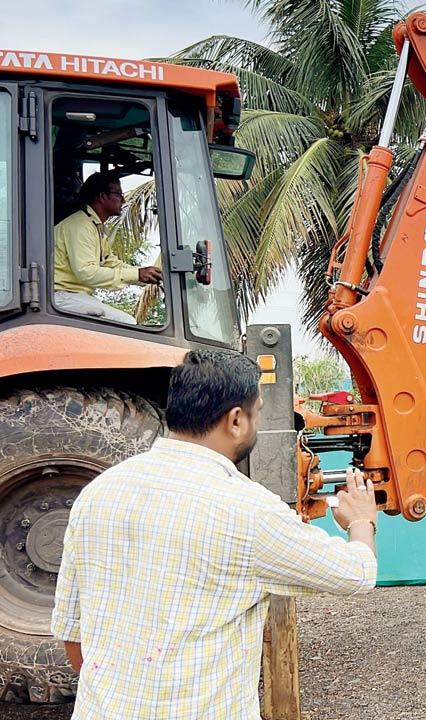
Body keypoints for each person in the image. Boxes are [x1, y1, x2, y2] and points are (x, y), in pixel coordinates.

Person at [52, 349, 380, 719]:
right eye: (257, 411)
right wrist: (361, 521)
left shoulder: (97, 493)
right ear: (236, 420)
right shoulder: (248, 510)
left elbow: (72, 630)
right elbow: (357, 574)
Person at [52, 171, 163, 324]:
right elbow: (87, 272)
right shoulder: (80, 226)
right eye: (118, 194)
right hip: (62, 295)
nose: (123, 200)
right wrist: (136, 274)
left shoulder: (94, 226)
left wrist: (145, 275)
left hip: (76, 295)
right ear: (102, 197)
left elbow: (111, 263)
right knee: (127, 323)